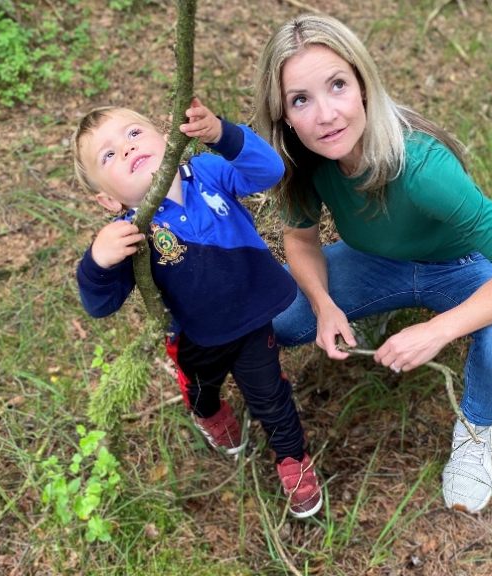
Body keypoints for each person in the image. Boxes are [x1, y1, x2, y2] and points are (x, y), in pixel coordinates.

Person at [252, 14, 492, 513]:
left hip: (463, 266)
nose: (326, 114)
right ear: (284, 115)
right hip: (376, 260)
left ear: (363, 84)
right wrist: (324, 302)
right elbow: (299, 238)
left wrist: (439, 330)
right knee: (276, 313)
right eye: (301, 99)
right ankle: (370, 312)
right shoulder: (301, 160)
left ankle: (475, 428)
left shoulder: (422, 168)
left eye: (337, 85)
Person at [72, 97, 322, 518]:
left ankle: (291, 457)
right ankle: (211, 414)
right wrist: (97, 262)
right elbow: (101, 305)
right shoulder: (128, 232)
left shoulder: (207, 172)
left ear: (167, 138)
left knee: (271, 396)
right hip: (194, 336)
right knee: (202, 390)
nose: (128, 149)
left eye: (134, 134)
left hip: (251, 320)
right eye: (109, 155)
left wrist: (223, 135)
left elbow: (269, 171)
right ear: (109, 200)